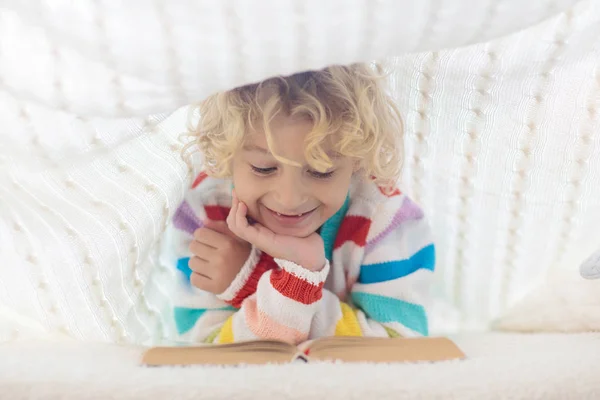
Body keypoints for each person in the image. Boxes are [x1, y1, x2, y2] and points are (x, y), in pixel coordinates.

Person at [168, 63, 435, 345]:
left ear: (357, 161)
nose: (289, 199)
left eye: (321, 171)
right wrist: (286, 289)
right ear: (228, 153)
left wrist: (272, 282)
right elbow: (204, 347)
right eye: (263, 168)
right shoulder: (207, 212)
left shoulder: (387, 219)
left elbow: (401, 345)